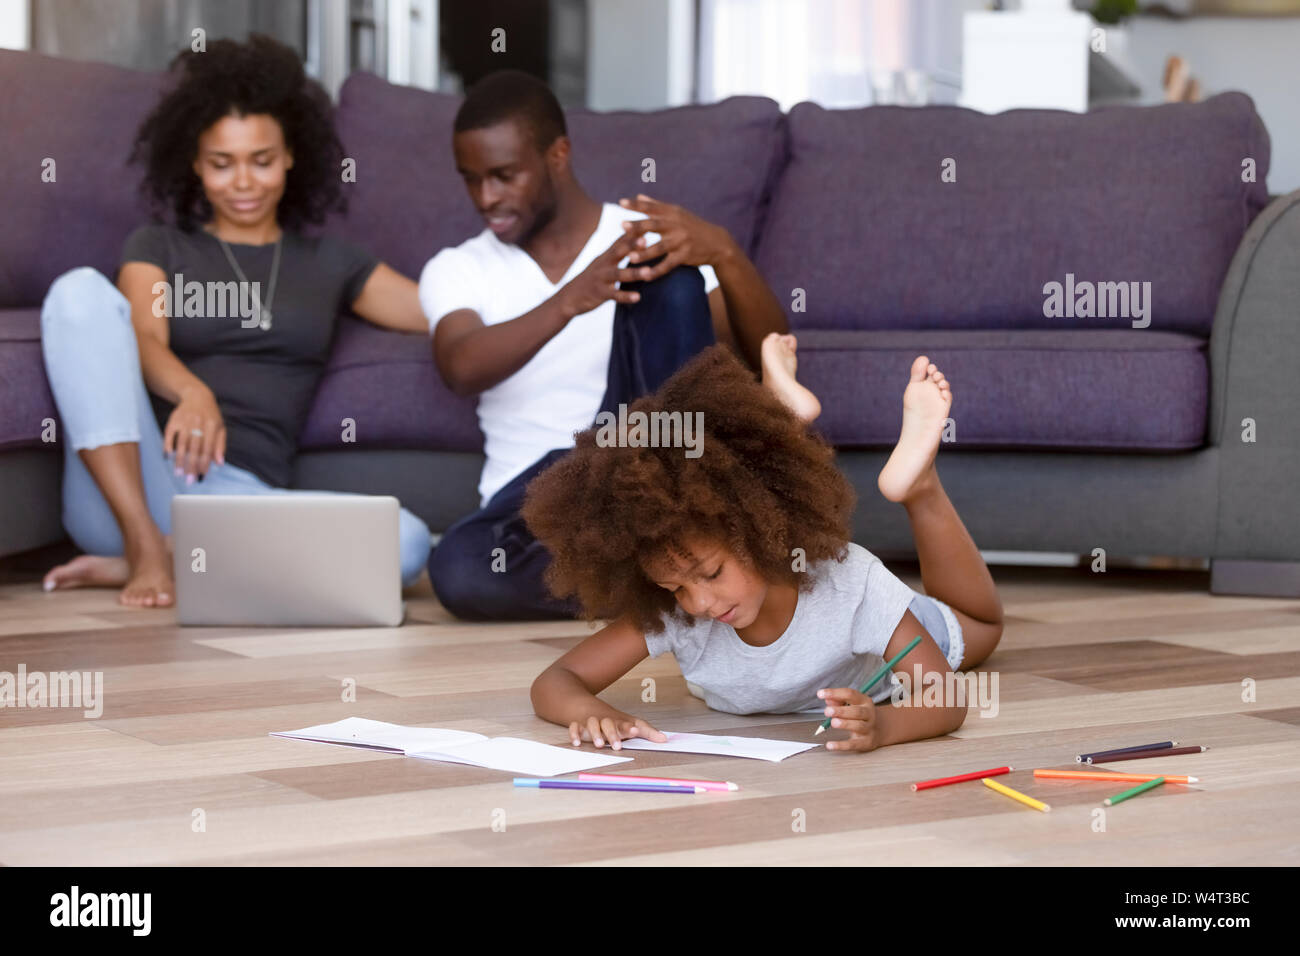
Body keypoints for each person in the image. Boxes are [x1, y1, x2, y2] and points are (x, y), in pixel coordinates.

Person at [40, 35, 432, 607]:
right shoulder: (159, 246)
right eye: (221, 164)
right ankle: (143, 543)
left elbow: (443, 312)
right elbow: (144, 337)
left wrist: (578, 282)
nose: (243, 182)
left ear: (292, 155)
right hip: (133, 480)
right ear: (196, 165)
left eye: (262, 160)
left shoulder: (332, 262)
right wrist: (193, 392)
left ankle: (160, 556)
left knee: (406, 544)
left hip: (240, 502)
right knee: (78, 292)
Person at [419, 69, 788, 620]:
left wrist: (726, 254)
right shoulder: (457, 268)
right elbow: (461, 366)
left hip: (646, 445)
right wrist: (572, 298)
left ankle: (681, 539)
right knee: (461, 568)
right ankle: (667, 580)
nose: (486, 197)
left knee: (669, 275)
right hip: (544, 494)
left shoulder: (640, 233)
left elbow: (766, 358)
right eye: (471, 179)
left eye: (503, 176)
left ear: (558, 155)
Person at [522, 336, 1005, 753]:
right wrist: (591, 712)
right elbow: (555, 682)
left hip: (913, 625)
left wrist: (884, 725)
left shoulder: (851, 584)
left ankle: (920, 489)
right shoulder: (677, 609)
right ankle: (781, 417)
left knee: (983, 624)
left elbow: (946, 697)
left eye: (711, 574)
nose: (700, 602)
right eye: (675, 588)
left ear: (761, 531)